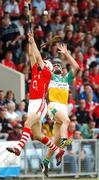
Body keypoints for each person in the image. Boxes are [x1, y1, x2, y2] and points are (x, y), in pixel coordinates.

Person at [6, 32, 64, 163]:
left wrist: (33, 42)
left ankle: (18, 148)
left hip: (40, 104)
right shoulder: (36, 71)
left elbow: (38, 57)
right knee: (37, 135)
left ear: (48, 67)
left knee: (27, 123)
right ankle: (58, 150)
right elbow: (32, 55)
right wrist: (29, 41)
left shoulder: (47, 73)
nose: (42, 62)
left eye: (45, 62)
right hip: (32, 104)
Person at [41, 44, 80, 177]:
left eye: (59, 65)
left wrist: (66, 54)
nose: (57, 66)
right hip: (53, 106)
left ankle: (45, 162)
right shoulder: (50, 77)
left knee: (54, 141)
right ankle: (64, 142)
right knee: (67, 121)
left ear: (63, 70)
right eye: (55, 65)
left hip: (62, 108)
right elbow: (41, 63)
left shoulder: (66, 79)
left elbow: (77, 68)